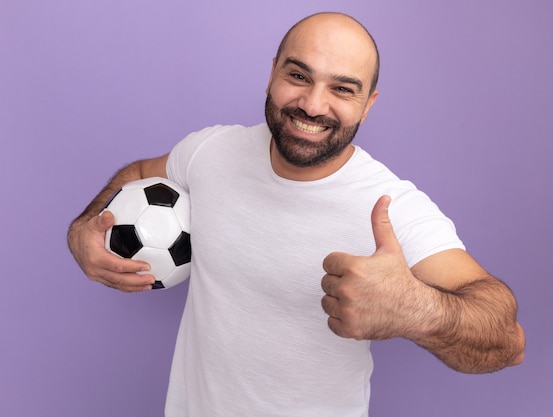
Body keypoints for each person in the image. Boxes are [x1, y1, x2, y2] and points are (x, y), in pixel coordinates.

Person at [67, 12, 525, 417]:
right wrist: (84, 230)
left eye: (342, 89)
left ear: (369, 104)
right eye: (299, 76)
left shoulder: (390, 206)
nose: (311, 104)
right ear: (271, 75)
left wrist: (416, 311)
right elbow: (137, 174)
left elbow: (508, 342)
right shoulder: (210, 150)